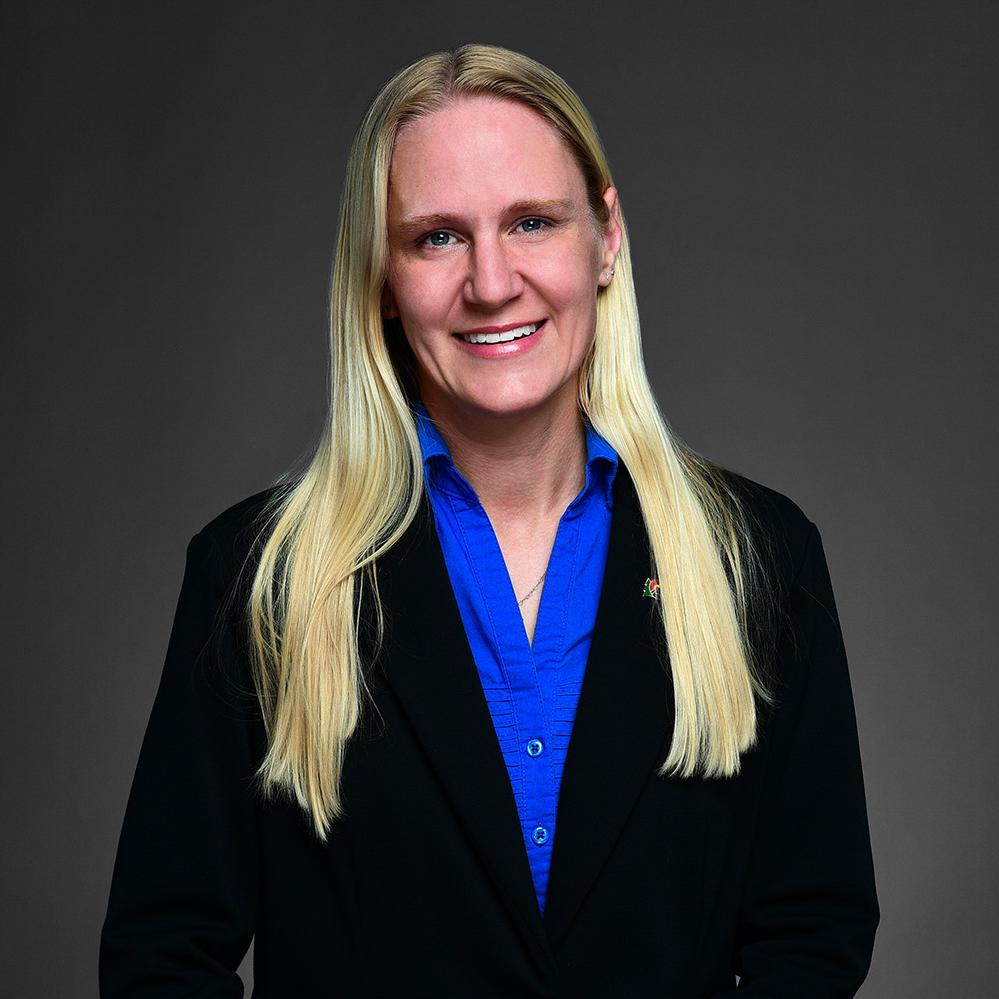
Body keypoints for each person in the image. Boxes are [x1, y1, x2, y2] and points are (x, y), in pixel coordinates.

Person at [99, 43, 879, 997]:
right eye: (437, 236)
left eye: (532, 222)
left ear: (605, 236)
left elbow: (814, 928)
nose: (491, 280)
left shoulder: (759, 559)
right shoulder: (255, 576)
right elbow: (162, 954)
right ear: (381, 277)